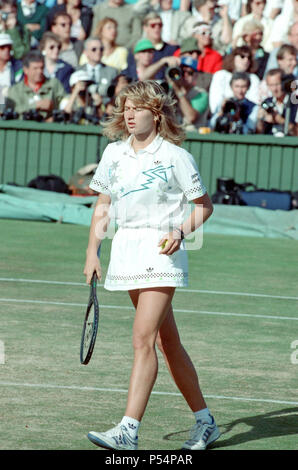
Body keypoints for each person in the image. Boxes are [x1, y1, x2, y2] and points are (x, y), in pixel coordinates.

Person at [83, 79, 219, 451]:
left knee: (143, 339)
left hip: (162, 251)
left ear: (155, 114)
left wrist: (180, 230)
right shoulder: (113, 153)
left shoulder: (176, 156)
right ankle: (206, 422)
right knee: (166, 341)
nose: (129, 114)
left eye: (137, 108)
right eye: (126, 107)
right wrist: (93, 251)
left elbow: (204, 206)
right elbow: (104, 205)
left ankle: (128, 430)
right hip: (125, 250)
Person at [5, 50, 65, 120]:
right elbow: (13, 112)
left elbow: (65, 104)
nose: (39, 71)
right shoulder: (15, 90)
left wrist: (54, 113)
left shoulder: (54, 84)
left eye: (42, 68)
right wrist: (36, 105)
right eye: (35, 68)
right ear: (25, 70)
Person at [209, 45, 261, 115]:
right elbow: (215, 102)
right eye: (242, 57)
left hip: (245, 116)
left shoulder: (254, 79)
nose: (246, 60)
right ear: (233, 58)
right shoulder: (220, 75)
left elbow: (254, 102)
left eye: (249, 58)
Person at [75, 37, 118, 104]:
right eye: (94, 49)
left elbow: (116, 96)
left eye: (101, 49)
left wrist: (103, 101)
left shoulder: (112, 72)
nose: (98, 52)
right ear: (85, 52)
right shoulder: (78, 72)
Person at [256, 68, 298, 136]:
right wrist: (260, 120)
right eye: (271, 85)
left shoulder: (295, 103)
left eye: (277, 84)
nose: (274, 89)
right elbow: (258, 134)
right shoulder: (266, 102)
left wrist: (280, 120)